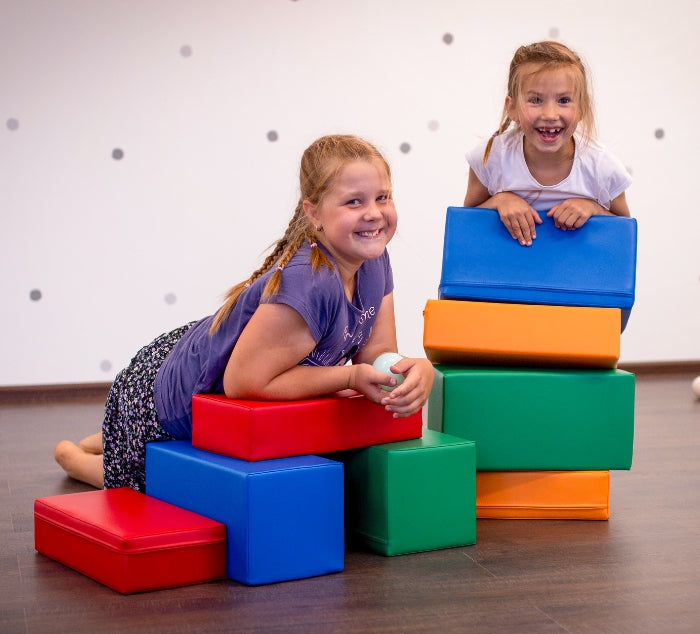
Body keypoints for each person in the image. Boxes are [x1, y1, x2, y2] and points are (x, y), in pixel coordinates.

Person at [54, 134, 435, 492]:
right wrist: (350, 374)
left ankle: (109, 435)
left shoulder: (374, 259)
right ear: (314, 214)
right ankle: (76, 456)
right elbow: (244, 382)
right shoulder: (311, 284)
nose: (374, 213)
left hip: (215, 355)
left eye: (382, 197)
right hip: (171, 394)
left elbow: (375, 348)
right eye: (354, 202)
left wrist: (407, 369)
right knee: (146, 488)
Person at [464, 40, 632, 247]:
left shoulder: (602, 167)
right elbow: (467, 225)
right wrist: (500, 201)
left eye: (563, 100)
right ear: (513, 107)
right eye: (535, 100)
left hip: (574, 275)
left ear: (582, 107)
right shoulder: (491, 157)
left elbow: (624, 234)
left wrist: (593, 209)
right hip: (506, 274)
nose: (550, 115)